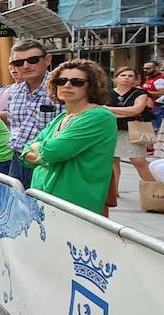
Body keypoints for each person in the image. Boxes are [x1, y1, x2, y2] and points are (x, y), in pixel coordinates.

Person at [22, 60, 116, 215]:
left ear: (91, 86)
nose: (67, 85)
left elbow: (52, 152)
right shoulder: (60, 118)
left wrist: (40, 148)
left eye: (77, 82)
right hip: (44, 199)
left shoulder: (99, 116)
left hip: (74, 203)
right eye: (61, 81)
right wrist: (42, 151)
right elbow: (25, 153)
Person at [0, 39, 60, 189]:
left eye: (33, 60)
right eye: (19, 63)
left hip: (47, 163)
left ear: (47, 60)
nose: (26, 66)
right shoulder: (15, 91)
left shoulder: (62, 88)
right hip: (17, 159)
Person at [107, 66, 155, 185]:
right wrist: (126, 112)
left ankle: (155, 189)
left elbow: (137, 109)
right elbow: (97, 110)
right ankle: (113, 192)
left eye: (130, 76)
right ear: (116, 78)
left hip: (133, 130)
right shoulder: (107, 93)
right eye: (123, 75)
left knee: (138, 160)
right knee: (112, 161)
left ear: (135, 79)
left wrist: (108, 109)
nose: (126, 78)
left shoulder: (140, 93)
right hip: (110, 129)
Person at [142, 61, 164, 128]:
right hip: (149, 110)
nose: (145, 70)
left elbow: (162, 94)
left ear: (156, 68)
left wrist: (143, 92)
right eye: (144, 68)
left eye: (148, 68)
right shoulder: (150, 78)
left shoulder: (160, 80)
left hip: (157, 110)